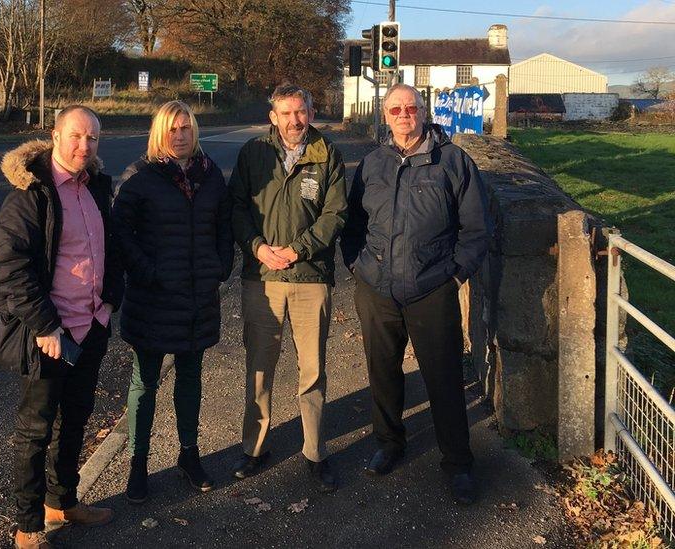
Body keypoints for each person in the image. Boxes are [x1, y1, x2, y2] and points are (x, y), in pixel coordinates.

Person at [0, 105, 124, 549]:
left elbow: (108, 247)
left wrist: (110, 301)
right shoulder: (30, 195)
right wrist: (45, 326)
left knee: (76, 419)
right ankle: (28, 525)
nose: (85, 146)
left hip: (91, 327)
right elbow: (8, 270)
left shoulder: (96, 186)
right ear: (55, 136)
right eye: (76, 136)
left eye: (93, 139)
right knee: (35, 429)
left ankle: (63, 501)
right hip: (50, 334)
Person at [340, 83, 491, 505]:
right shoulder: (373, 164)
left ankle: (458, 462)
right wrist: (357, 266)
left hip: (431, 288)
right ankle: (389, 443)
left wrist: (455, 277)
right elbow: (352, 225)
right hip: (377, 289)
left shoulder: (454, 162)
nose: (404, 115)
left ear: (423, 112)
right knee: (382, 372)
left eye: (411, 107)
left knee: (443, 377)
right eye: (396, 109)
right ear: (385, 116)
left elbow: (476, 229)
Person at [111, 100, 234, 503]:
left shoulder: (210, 174)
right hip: (153, 298)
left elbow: (224, 223)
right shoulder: (140, 177)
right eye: (172, 129)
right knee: (144, 382)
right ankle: (138, 464)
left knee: (190, 377)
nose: (180, 136)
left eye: (186, 128)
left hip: (198, 297)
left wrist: (220, 265)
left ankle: (188, 454)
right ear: (159, 133)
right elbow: (119, 233)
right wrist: (147, 272)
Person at [230, 84, 348, 492]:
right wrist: (258, 248)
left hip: (310, 277)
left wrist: (298, 250)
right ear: (273, 117)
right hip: (261, 279)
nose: (294, 120)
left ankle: (315, 452)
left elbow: (336, 214)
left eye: (301, 112)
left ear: (311, 111)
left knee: (312, 371)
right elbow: (237, 208)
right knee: (259, 369)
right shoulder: (253, 153)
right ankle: (254, 448)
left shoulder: (327, 153)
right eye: (286, 113)